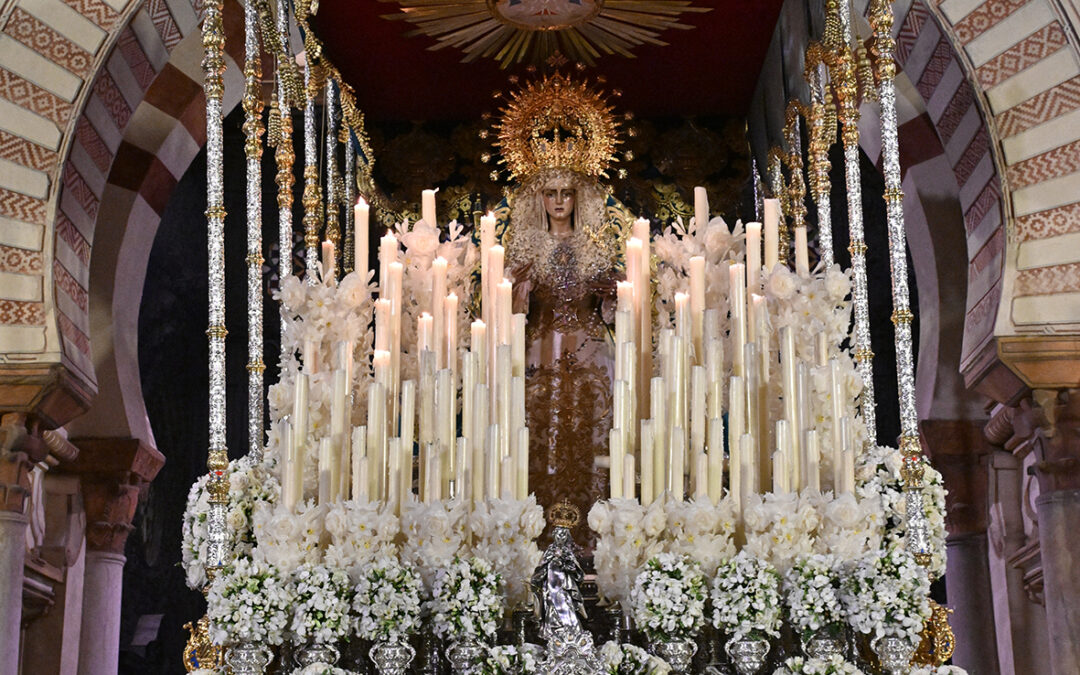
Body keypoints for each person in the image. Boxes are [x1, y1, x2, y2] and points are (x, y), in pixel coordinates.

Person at [505, 166, 624, 550]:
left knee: (592, 435)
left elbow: (613, 310)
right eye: (551, 193)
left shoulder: (595, 247)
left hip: (590, 355)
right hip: (541, 353)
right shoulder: (525, 248)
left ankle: (592, 534)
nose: (558, 201)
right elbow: (508, 311)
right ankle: (539, 535)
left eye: (566, 193)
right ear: (539, 199)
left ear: (578, 198)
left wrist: (613, 292)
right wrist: (518, 289)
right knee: (541, 435)